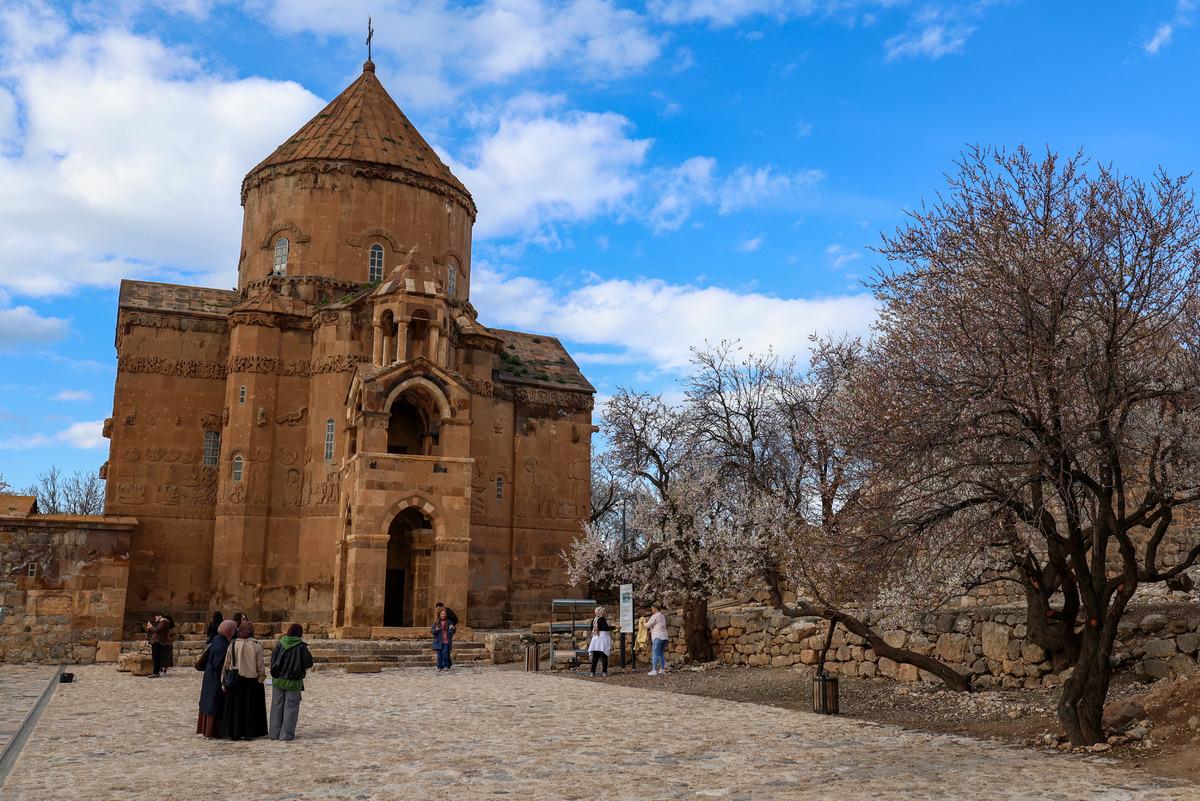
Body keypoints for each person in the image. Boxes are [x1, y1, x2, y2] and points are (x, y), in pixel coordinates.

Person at [220, 618, 268, 740]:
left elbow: (226, 664)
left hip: (236, 680)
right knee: (249, 708)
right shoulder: (256, 646)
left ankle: (235, 733)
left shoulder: (233, 645)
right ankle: (249, 732)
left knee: (236, 709)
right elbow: (260, 666)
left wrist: (223, 682)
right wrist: (261, 679)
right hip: (251, 681)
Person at [269, 623, 314, 741]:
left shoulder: (279, 644)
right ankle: (286, 735)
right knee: (291, 707)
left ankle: (274, 733)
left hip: (278, 680)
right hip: (293, 681)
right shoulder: (301, 646)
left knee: (276, 706)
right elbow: (309, 663)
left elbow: (273, 659)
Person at [197, 619, 235, 738]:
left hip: (209, 676)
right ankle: (213, 731)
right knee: (214, 703)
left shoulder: (216, 640)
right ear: (229, 632)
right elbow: (219, 664)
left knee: (209, 702)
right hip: (215, 678)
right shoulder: (223, 646)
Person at [588, 605, 612, 677]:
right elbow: (605, 628)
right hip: (602, 639)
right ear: (601, 612)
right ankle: (604, 672)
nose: (604, 613)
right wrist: (614, 627)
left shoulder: (594, 620)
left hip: (595, 639)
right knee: (604, 656)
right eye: (603, 611)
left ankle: (592, 672)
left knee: (595, 657)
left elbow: (591, 628)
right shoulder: (602, 619)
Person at [647, 603, 669, 676]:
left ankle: (654, 670)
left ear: (655, 608)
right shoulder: (662, 616)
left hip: (658, 636)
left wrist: (643, 623)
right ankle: (662, 669)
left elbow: (648, 625)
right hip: (664, 637)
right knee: (661, 653)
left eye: (652, 609)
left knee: (655, 653)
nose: (652, 610)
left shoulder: (655, 616)